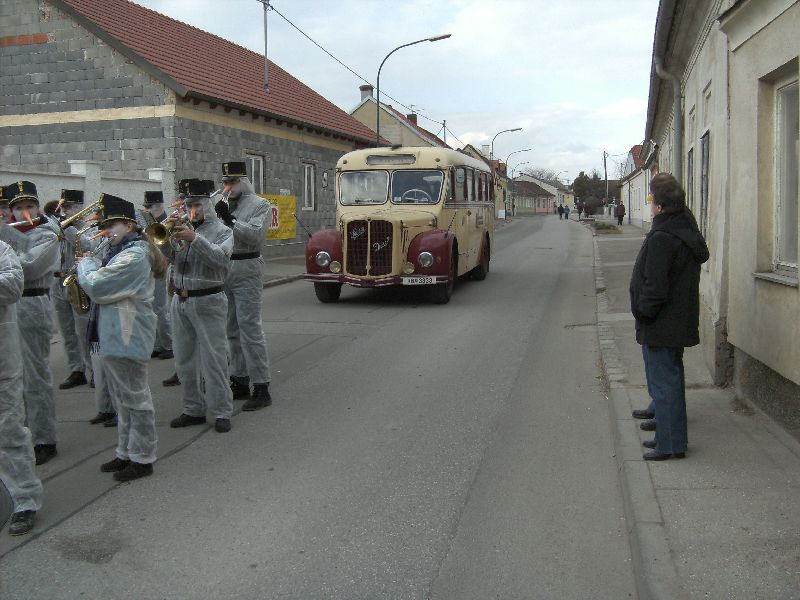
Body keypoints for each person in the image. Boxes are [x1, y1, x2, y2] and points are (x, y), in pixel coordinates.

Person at [77, 194, 166, 481]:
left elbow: (97, 285)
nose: (106, 231)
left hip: (128, 334)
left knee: (135, 399)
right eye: (104, 226)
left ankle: (143, 457)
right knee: (122, 399)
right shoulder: (120, 251)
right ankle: (125, 451)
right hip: (116, 333)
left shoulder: (134, 255)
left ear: (129, 225)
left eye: (111, 225)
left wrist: (86, 264)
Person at [629, 172, 709, 461]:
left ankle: (670, 443)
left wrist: (644, 311)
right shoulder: (680, 226)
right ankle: (668, 432)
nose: (650, 206)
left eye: (652, 201)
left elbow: (655, 285)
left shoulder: (664, 236)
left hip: (662, 320)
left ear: (660, 207)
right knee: (669, 378)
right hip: (675, 318)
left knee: (665, 382)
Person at [0, 182, 60, 466]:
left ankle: (44, 438)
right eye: (18, 208)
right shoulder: (8, 234)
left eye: (30, 206)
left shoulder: (46, 234)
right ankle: (18, 434)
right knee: (12, 377)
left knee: (36, 374)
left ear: (37, 207)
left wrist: (6, 239)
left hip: (33, 302)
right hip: (9, 306)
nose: (25, 212)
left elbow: (29, 266)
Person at [168, 179, 234, 433]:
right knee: (184, 359)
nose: (192, 209)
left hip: (209, 299)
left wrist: (194, 239)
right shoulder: (181, 227)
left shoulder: (224, 231)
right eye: (188, 205)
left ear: (208, 204)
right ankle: (192, 409)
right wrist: (165, 242)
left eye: (197, 204)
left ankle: (221, 411)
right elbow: (168, 260)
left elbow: (220, 261)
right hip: (180, 298)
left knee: (214, 359)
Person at [215, 162, 274, 411]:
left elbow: (255, 236)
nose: (228, 186)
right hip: (226, 266)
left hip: (248, 266)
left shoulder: (260, 204)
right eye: (225, 182)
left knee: (249, 328)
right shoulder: (223, 203)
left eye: (233, 181)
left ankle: (261, 385)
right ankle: (239, 378)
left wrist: (230, 219)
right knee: (231, 328)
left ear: (244, 181)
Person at [0, 239, 43, 536]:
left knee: (9, 431)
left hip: (2, 361)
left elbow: (14, 285)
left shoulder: (2, 249)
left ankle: (24, 499)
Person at [51, 190, 93, 391]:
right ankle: (76, 369)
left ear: (78, 208)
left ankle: (93, 370)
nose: (65, 211)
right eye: (63, 207)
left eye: (68, 207)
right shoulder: (56, 225)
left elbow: (88, 245)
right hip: (57, 281)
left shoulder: (87, 227)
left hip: (77, 281)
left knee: (83, 330)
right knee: (67, 331)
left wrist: (68, 230)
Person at [142, 191, 173, 360]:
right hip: (151, 267)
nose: (146, 210)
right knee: (152, 308)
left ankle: (168, 344)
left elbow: (171, 249)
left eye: (149, 206)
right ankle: (157, 344)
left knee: (161, 308)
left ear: (159, 206)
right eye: (145, 207)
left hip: (164, 268)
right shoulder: (150, 224)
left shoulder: (168, 222)